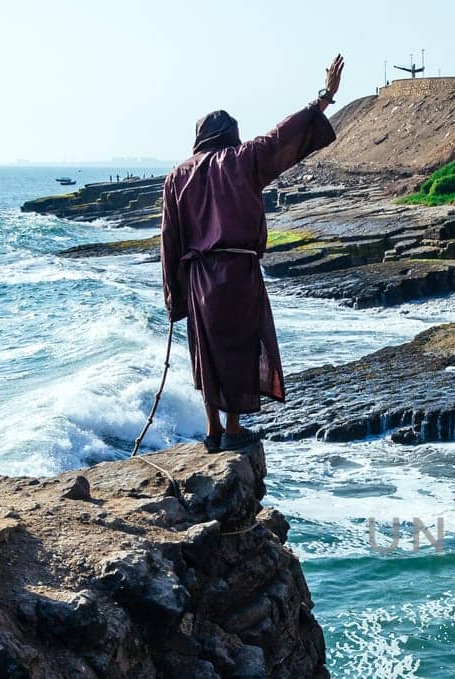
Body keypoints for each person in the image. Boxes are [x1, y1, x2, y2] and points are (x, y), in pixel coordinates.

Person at [160, 56, 345, 453]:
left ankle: (211, 432)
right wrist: (324, 97)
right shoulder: (242, 160)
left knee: (206, 354)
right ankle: (233, 429)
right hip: (239, 271)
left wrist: (174, 298)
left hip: (198, 277)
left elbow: (169, 240)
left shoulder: (177, 176)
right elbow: (284, 137)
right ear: (231, 134)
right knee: (241, 348)